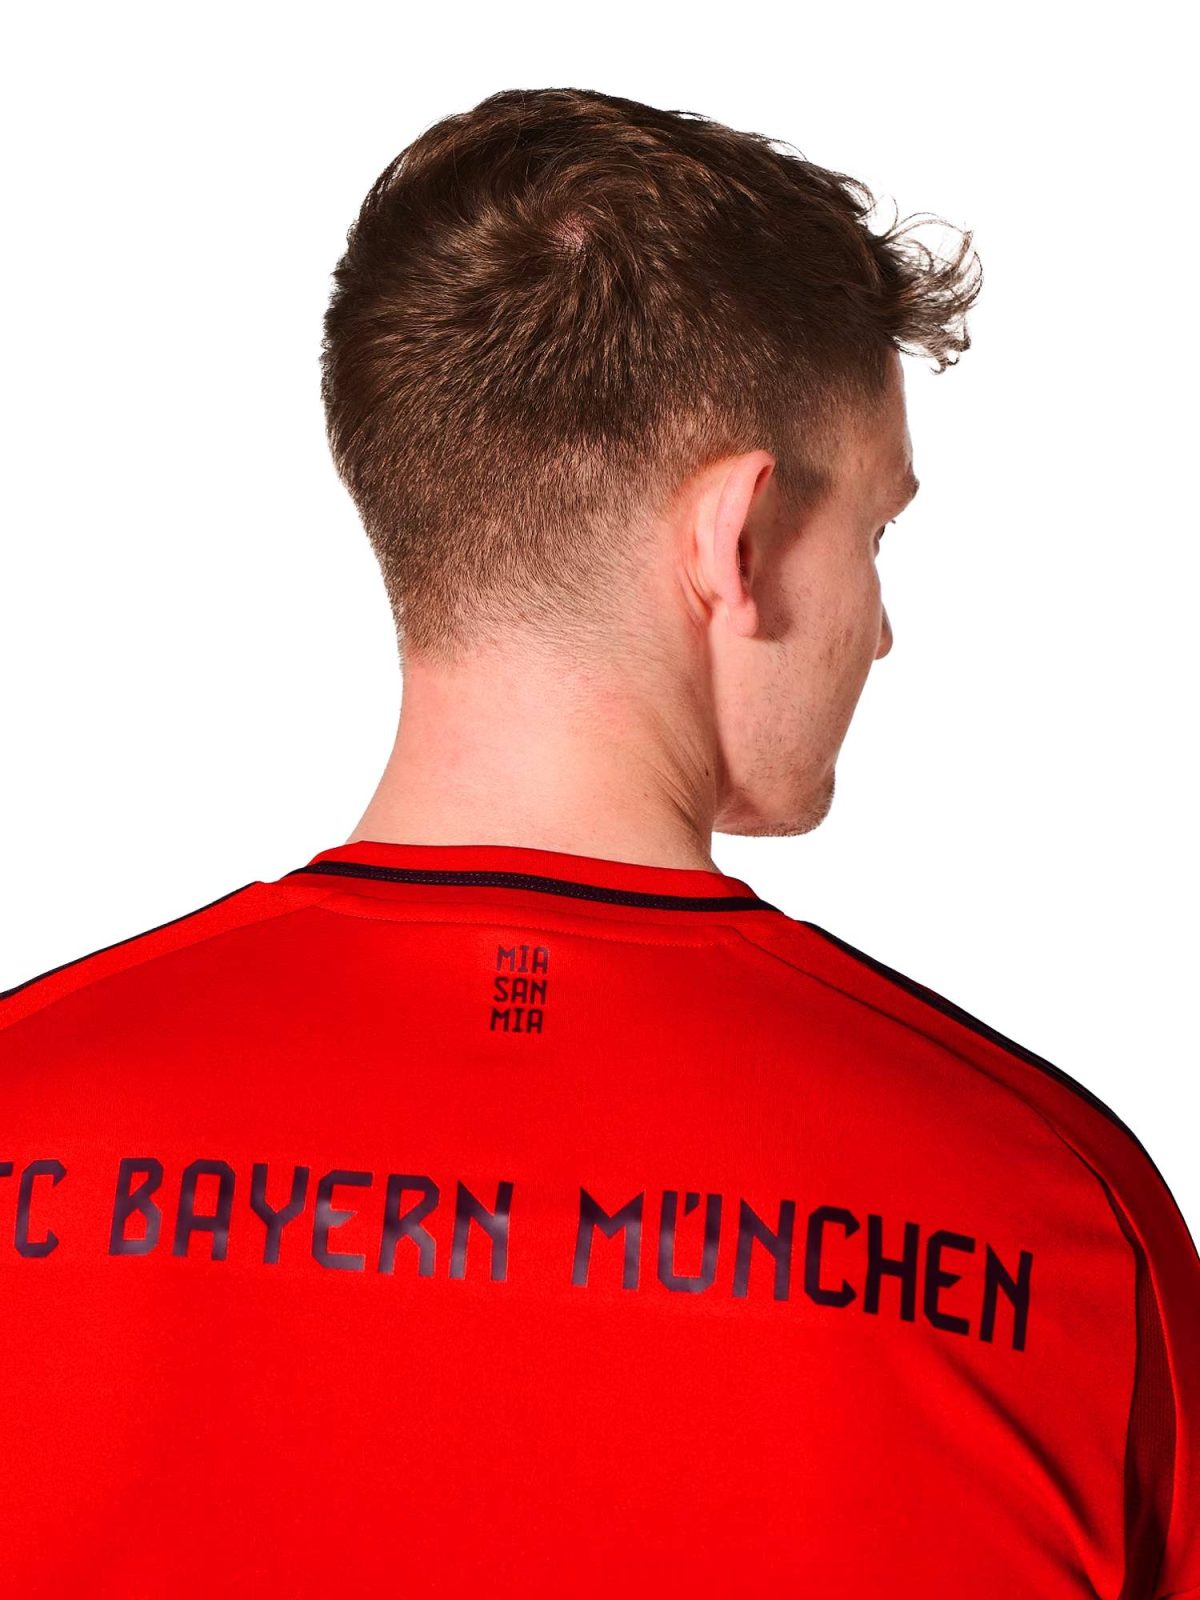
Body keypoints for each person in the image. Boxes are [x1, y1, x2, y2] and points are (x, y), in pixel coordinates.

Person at [1, 86, 1196, 1597]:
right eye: (876, 533)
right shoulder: (1055, 1225)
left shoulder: (26, 1115)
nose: (882, 630)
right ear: (735, 539)